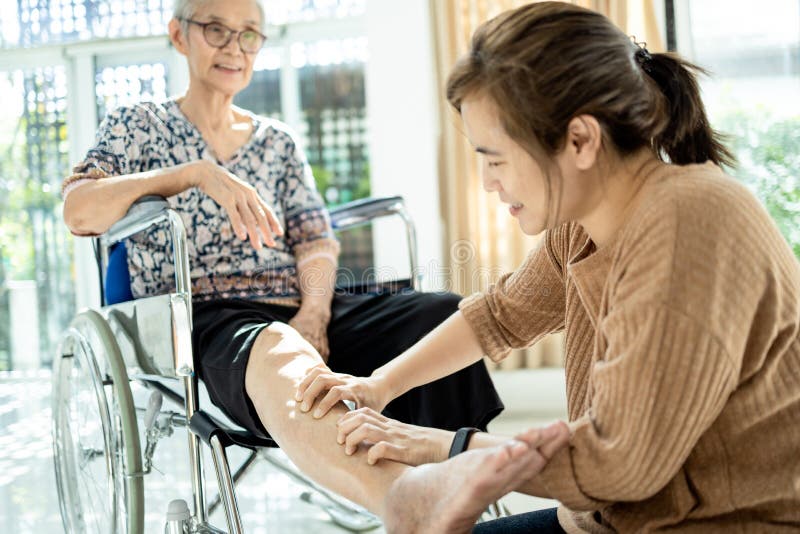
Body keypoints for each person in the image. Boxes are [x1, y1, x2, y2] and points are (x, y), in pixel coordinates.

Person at [295, 2, 800, 532]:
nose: (488, 182)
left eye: (495, 159)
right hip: (611, 521)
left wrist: (443, 450)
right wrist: (379, 385)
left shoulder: (689, 225)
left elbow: (619, 464)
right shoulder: (582, 223)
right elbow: (501, 315)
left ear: (580, 140)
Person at [60, 0, 504, 516]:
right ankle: (409, 505)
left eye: (249, 35)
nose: (234, 47)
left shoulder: (277, 143)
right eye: (216, 30)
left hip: (300, 306)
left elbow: (315, 239)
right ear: (179, 35)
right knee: (277, 348)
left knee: (440, 313)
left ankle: (458, 482)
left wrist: (313, 314)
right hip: (209, 314)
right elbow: (79, 210)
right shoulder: (139, 126)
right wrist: (192, 174)